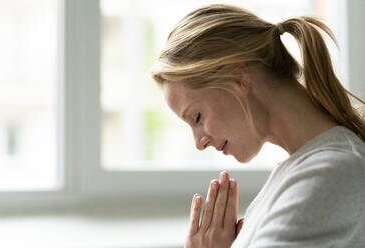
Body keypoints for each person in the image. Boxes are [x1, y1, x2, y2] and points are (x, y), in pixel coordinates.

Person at [151, 4, 365, 248]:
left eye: (197, 117)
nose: (199, 143)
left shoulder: (330, 172)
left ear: (238, 78)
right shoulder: (299, 172)